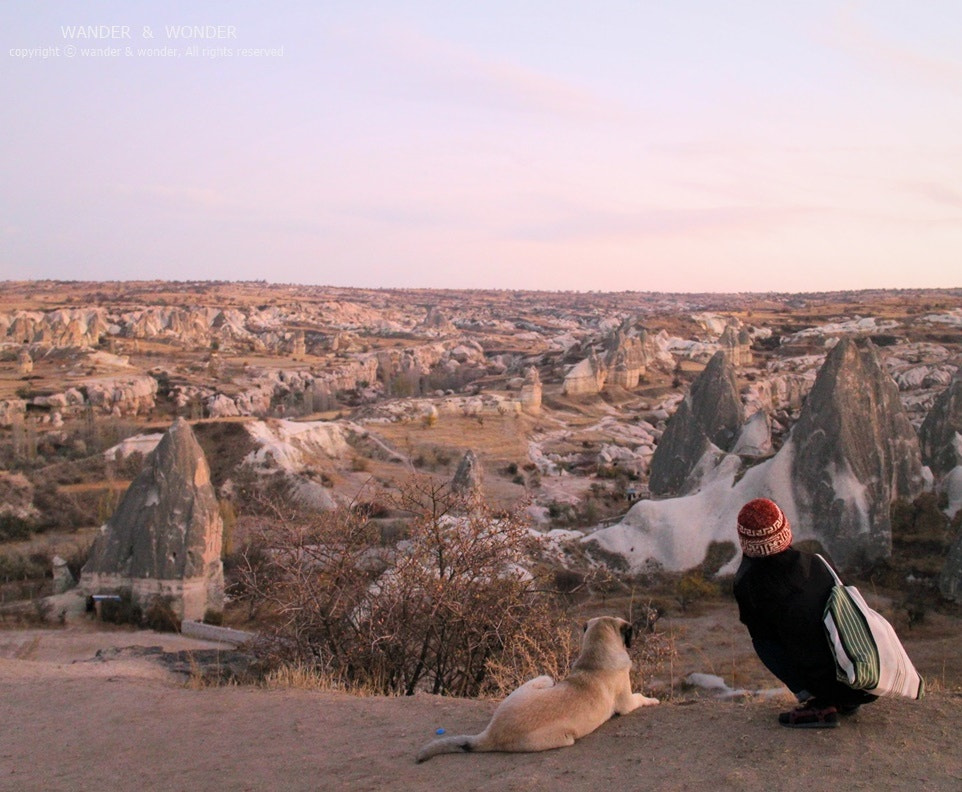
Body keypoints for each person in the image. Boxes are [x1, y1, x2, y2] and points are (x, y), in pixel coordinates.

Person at [732, 498, 877, 728]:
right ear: (785, 531)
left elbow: (769, 636)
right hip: (860, 676)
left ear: (746, 543)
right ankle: (844, 700)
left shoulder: (748, 586)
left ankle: (820, 702)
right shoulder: (818, 564)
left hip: (823, 680)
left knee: (763, 642)